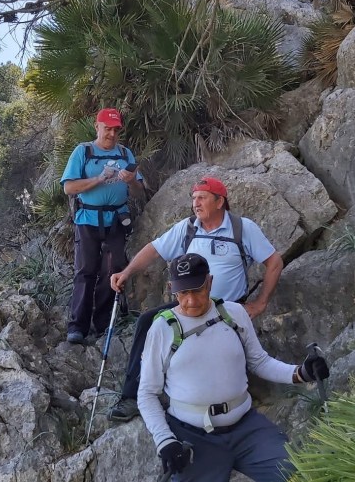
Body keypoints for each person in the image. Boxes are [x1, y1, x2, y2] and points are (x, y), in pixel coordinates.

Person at [138, 253, 329, 482]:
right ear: (172, 290)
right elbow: (147, 394)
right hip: (193, 438)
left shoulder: (233, 314)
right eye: (183, 292)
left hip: (246, 427)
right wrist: (165, 441)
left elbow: (260, 362)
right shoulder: (163, 328)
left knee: (300, 478)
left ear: (210, 282)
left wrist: (301, 373)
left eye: (198, 289)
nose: (191, 300)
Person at [107, 176, 283, 420]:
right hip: (189, 306)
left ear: (220, 201)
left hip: (225, 309)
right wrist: (126, 272)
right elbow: (154, 249)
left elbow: (274, 262)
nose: (195, 204)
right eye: (193, 198)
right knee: (148, 321)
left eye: (202, 198)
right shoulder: (188, 228)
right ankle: (133, 396)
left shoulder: (243, 228)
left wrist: (260, 303)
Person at [61, 107, 143, 345]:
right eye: (107, 128)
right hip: (87, 219)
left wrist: (132, 183)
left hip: (116, 220)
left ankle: (104, 323)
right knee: (85, 271)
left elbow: (138, 193)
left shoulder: (126, 154)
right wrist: (99, 178)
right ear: (97, 127)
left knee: (113, 270)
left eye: (116, 130)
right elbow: (68, 187)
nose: (111, 134)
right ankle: (77, 326)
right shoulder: (83, 152)